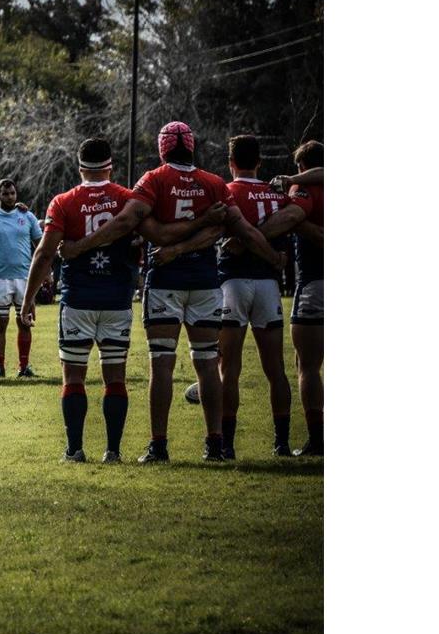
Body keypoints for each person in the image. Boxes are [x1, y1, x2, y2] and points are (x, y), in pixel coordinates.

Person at [60, 121, 283, 462]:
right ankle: (215, 444)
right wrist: (273, 257)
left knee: (161, 364)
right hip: (206, 284)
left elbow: (126, 224)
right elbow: (243, 230)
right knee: (207, 363)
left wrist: (79, 247)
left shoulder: (153, 180)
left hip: (165, 282)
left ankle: (159, 446)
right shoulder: (213, 183)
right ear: (191, 147)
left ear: (162, 148)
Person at [20, 139, 137, 463]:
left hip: (78, 300)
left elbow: (44, 253)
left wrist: (28, 299)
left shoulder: (63, 202)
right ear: (110, 166)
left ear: (80, 167)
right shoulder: (127, 198)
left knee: (73, 377)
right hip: (117, 300)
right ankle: (113, 451)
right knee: (115, 377)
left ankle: (75, 449)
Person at [195, 135, 295, 458]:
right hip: (267, 284)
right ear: (260, 162)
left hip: (232, 283)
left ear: (231, 163)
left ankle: (227, 444)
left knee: (229, 369)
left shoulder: (227, 190)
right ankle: (281, 441)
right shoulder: (275, 194)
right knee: (276, 369)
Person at [256, 143, 324, 456]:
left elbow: (289, 217)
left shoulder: (305, 190)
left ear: (302, 168)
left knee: (307, 365)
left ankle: (318, 440)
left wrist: (252, 235)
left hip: (316, 283)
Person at [0, 179, 44, 378]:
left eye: (12, 193)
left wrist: (45, 272)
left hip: (25, 278)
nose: (10, 197)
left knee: (25, 322)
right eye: (5, 194)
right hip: (0, 278)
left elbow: (40, 245)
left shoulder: (27, 216)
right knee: (0, 323)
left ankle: (24, 367)